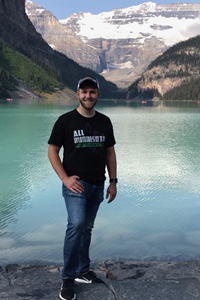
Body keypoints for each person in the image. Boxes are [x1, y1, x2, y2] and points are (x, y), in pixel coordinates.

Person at [47, 76, 117, 300]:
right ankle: (67, 278)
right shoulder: (65, 121)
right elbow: (52, 151)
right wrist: (65, 179)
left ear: (98, 94)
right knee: (76, 225)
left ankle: (83, 271)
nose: (88, 96)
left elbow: (110, 153)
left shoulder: (105, 121)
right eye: (84, 92)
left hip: (98, 184)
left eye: (92, 92)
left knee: (86, 228)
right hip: (75, 184)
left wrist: (113, 182)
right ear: (77, 94)